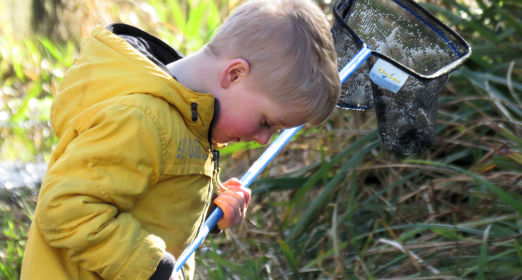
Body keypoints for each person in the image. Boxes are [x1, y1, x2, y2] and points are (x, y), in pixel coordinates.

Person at [21, 0, 340, 279]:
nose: (262, 140)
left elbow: (154, 194)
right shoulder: (141, 120)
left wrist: (210, 210)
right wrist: (152, 269)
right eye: (266, 122)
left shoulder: (188, 120)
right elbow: (66, 208)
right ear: (234, 75)